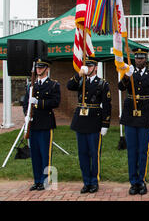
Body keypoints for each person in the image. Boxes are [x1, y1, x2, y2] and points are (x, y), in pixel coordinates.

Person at [118, 47, 149, 195]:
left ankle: (141, 181)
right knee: (132, 151)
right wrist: (126, 76)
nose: (139, 60)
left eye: (142, 58)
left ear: (146, 59)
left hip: (145, 117)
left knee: (143, 151)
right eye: (137, 58)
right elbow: (120, 87)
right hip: (130, 116)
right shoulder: (129, 73)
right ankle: (133, 182)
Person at [67, 56, 111, 194]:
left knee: (94, 153)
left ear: (96, 67)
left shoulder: (102, 84)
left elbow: (107, 106)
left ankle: (94, 181)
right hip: (80, 121)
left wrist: (105, 124)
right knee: (82, 154)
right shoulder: (80, 80)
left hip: (94, 121)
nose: (89, 68)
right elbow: (69, 86)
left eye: (91, 66)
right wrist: (79, 74)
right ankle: (86, 181)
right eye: (87, 66)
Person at [23, 58, 61, 191]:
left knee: (45, 153)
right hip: (33, 124)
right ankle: (37, 180)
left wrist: (39, 102)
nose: (38, 70)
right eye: (37, 68)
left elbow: (56, 102)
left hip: (45, 123)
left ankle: (45, 180)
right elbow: (25, 103)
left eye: (41, 67)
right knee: (35, 154)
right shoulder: (31, 85)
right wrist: (26, 115)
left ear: (47, 69)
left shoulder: (53, 85)